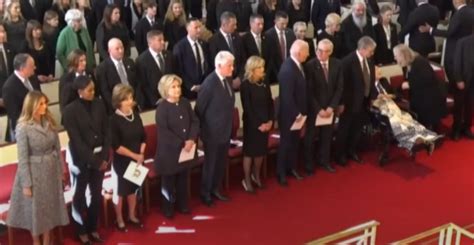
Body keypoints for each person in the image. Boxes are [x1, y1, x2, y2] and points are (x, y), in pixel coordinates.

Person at [7, 91, 69, 245]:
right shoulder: (23, 127)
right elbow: (22, 158)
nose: (45, 106)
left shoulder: (49, 121)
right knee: (35, 212)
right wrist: (26, 184)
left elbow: (57, 147)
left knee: (49, 209)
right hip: (34, 174)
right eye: (41, 103)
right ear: (32, 105)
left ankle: (47, 239)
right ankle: (36, 241)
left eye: (45, 103)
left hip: (51, 171)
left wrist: (62, 170)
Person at [62, 75, 110, 245]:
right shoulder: (69, 111)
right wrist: (95, 161)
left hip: (100, 157)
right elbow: (76, 141)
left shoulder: (99, 103)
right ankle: (80, 231)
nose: (93, 92)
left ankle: (92, 227)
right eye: (89, 90)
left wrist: (103, 156)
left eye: (94, 89)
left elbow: (107, 131)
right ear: (80, 91)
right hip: (81, 161)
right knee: (79, 196)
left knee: (96, 195)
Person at [423, 0, 474, 139]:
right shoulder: (471, 11)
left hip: (456, 59)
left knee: (459, 98)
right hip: (470, 62)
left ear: (456, 1)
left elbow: (450, 32)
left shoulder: (458, 14)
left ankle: (457, 129)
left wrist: (431, 30)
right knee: (470, 100)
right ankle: (467, 127)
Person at [155, 74, 199, 218]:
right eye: (173, 87)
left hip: (187, 149)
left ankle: (183, 204)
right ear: (165, 89)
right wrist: (182, 143)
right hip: (169, 152)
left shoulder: (185, 102)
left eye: (178, 86)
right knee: (168, 181)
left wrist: (191, 139)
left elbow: (194, 121)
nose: (177, 89)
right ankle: (168, 208)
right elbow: (164, 131)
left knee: (183, 178)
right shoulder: (162, 108)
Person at [195, 51, 235, 207]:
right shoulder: (209, 84)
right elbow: (199, 110)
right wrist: (200, 133)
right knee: (210, 164)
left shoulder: (227, 80)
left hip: (225, 130)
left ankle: (215, 188)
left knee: (220, 163)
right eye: (229, 66)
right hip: (211, 133)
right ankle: (205, 193)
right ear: (219, 66)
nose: (232, 69)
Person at [335, 36, 376, 165]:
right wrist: (341, 103)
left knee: (357, 129)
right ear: (363, 49)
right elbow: (341, 85)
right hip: (349, 103)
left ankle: (351, 151)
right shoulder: (347, 62)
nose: (372, 53)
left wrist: (372, 97)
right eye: (370, 50)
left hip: (363, 102)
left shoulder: (369, 60)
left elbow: (371, 80)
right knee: (344, 130)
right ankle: (340, 155)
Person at [304, 39, 343, 174]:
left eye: (325, 51)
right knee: (310, 137)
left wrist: (332, 107)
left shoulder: (337, 64)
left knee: (327, 136)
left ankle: (324, 161)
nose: (321, 53)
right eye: (319, 50)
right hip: (315, 109)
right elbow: (309, 91)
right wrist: (319, 109)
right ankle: (309, 165)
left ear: (330, 52)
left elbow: (339, 88)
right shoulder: (309, 66)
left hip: (330, 108)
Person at [110, 84, 146, 231]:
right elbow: (116, 146)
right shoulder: (113, 120)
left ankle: (131, 215)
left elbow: (144, 137)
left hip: (137, 161)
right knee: (120, 192)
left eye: (131, 98)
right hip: (122, 161)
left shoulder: (135, 115)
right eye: (126, 99)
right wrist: (135, 155)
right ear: (118, 101)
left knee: (132, 190)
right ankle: (119, 219)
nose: (130, 101)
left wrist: (141, 154)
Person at [276, 40, 308, 186]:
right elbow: (286, 96)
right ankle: (281, 172)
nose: (308, 55)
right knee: (286, 143)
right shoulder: (288, 69)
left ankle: (292, 168)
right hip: (290, 115)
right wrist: (297, 114)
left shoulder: (298, 65)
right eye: (306, 52)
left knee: (295, 142)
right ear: (298, 52)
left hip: (298, 113)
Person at [393, 44, 447, 130]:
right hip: (420, 97)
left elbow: (427, 81)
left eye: (396, 56)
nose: (395, 58)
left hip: (430, 98)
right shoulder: (409, 63)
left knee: (427, 121)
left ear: (403, 55)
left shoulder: (420, 62)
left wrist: (409, 84)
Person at [240, 56, 273, 193]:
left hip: (266, 122)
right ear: (252, 69)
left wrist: (271, 121)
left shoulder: (264, 82)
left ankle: (256, 175)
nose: (262, 70)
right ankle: (247, 179)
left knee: (260, 151)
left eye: (262, 67)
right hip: (252, 125)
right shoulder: (245, 85)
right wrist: (258, 125)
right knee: (250, 152)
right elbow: (247, 108)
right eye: (259, 67)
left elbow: (270, 103)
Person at [2, 53, 41, 141]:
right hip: (22, 130)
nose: (35, 67)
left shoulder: (33, 78)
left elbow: (40, 98)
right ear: (22, 68)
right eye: (31, 66)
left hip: (39, 124)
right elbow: (14, 114)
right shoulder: (9, 87)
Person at [96, 38, 137, 113]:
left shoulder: (130, 62)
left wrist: (135, 101)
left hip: (133, 104)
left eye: (122, 48)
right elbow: (105, 92)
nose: (121, 51)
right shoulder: (102, 68)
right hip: (116, 109)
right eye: (117, 49)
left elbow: (137, 83)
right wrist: (117, 107)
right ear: (109, 50)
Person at [173, 18, 209, 100]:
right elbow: (179, 70)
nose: (199, 30)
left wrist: (205, 84)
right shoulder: (179, 47)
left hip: (205, 88)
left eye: (200, 27)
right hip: (188, 91)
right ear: (188, 28)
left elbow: (208, 65)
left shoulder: (204, 44)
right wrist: (191, 86)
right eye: (196, 28)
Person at [136, 30, 173, 109]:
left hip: (171, 97)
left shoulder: (169, 55)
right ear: (150, 43)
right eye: (159, 40)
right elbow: (143, 84)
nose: (163, 42)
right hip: (153, 103)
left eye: (163, 39)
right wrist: (155, 100)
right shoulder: (141, 60)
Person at [208, 11, 244, 84]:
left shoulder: (237, 37)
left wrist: (240, 77)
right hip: (224, 82)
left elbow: (243, 59)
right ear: (224, 24)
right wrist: (229, 81)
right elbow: (215, 65)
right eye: (233, 25)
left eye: (235, 24)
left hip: (240, 81)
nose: (235, 27)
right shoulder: (213, 41)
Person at [59, 49, 95, 113]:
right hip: (74, 113)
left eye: (85, 60)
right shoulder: (66, 79)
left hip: (91, 110)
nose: (84, 63)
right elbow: (64, 101)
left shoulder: (90, 74)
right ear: (73, 62)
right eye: (81, 61)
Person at [265, 11, 296, 84]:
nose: (285, 26)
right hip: (273, 72)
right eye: (282, 24)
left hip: (289, 70)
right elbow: (269, 57)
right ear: (275, 21)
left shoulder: (290, 33)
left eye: (286, 23)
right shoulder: (268, 35)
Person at [453, 33, 474, 140]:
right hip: (463, 80)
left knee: (470, 106)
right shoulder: (463, 42)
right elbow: (457, 62)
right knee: (459, 105)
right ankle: (456, 130)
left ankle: (467, 128)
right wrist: (458, 79)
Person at [0, 22, 15, 116]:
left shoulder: (10, 48)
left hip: (10, 94)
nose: (3, 34)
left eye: (4, 31)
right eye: (0, 32)